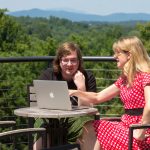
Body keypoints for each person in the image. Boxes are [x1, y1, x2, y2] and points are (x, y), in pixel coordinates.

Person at [69, 36, 150, 150]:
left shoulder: (145, 76)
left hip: (141, 132)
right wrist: (74, 92)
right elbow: (98, 97)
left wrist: (142, 130)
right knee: (90, 126)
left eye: (118, 53)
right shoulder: (124, 79)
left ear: (129, 55)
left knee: (98, 129)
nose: (114, 56)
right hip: (127, 126)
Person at [33, 41, 96, 150]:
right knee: (42, 128)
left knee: (88, 127)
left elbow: (88, 109)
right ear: (59, 61)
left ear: (79, 61)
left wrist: (81, 87)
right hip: (50, 117)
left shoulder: (87, 77)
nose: (69, 64)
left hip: (77, 119)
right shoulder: (48, 75)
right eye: (65, 60)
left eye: (73, 60)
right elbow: (40, 102)